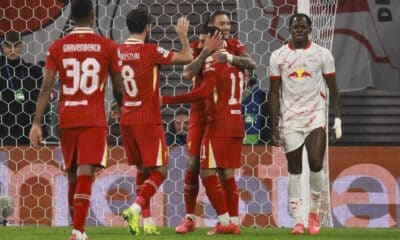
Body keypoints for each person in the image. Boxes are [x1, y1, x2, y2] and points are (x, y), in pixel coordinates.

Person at [29, 0, 123, 239]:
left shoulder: (57, 46)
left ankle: (77, 229)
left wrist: (37, 123)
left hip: (67, 116)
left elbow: (46, 87)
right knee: (85, 171)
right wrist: (119, 105)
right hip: (93, 117)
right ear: (93, 16)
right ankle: (78, 230)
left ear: (70, 19)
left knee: (72, 172)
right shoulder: (107, 46)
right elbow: (118, 84)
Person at [175, 11, 256, 234]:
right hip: (199, 114)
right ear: (211, 26)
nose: (227, 26)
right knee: (193, 165)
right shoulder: (197, 45)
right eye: (222, 23)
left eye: (229, 23)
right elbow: (187, 72)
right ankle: (190, 217)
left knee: (221, 171)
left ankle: (230, 221)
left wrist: (229, 58)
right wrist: (200, 49)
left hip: (218, 114)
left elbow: (250, 63)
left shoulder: (234, 45)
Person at [115, 8, 192, 236]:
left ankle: (146, 222)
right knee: (160, 170)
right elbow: (186, 57)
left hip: (126, 118)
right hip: (147, 119)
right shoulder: (150, 50)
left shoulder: (117, 51)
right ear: (148, 27)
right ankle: (135, 208)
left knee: (142, 169)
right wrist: (182, 35)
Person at [268, 13, 342, 235]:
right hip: (290, 118)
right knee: (294, 169)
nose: (299, 30)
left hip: (315, 114)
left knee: (317, 162)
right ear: (289, 29)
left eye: (303, 27)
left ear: (310, 29)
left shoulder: (322, 54)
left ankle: (314, 212)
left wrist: (336, 117)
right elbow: (273, 93)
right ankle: (298, 221)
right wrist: (274, 125)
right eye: (295, 27)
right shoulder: (277, 56)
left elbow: (334, 88)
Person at [0, 31, 43, 146]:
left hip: (29, 131)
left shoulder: (33, 72)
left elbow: (39, 103)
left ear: (22, 46)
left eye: (16, 45)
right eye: (8, 46)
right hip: (4, 133)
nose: (12, 49)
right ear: (2, 47)